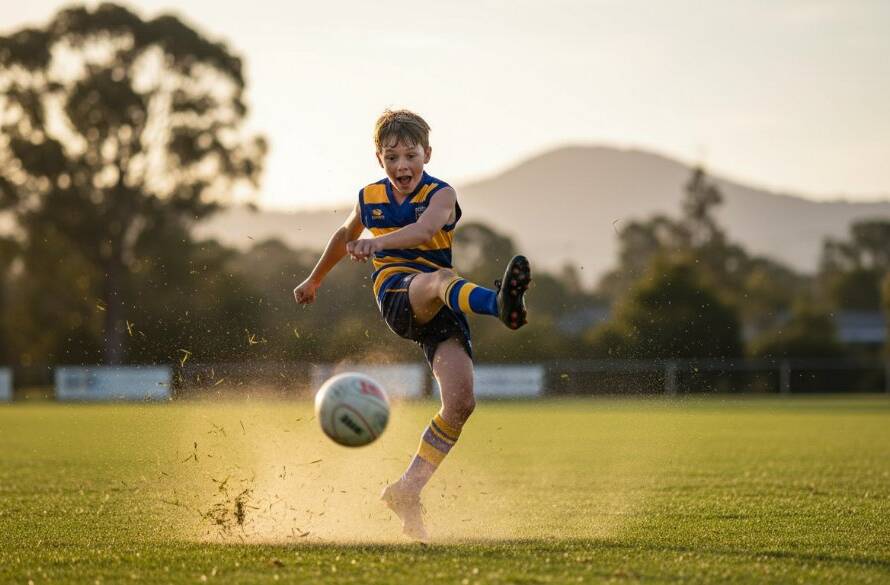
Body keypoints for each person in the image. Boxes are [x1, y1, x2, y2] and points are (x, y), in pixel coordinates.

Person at [293, 109, 531, 540]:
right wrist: (315, 278)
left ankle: (407, 490)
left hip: (442, 304)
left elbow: (424, 232)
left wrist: (376, 241)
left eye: (410, 155)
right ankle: (498, 304)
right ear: (379, 159)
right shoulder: (369, 197)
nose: (402, 165)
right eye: (392, 157)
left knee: (461, 403)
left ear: (428, 154)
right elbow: (342, 236)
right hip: (398, 293)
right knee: (441, 281)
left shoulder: (442, 195)